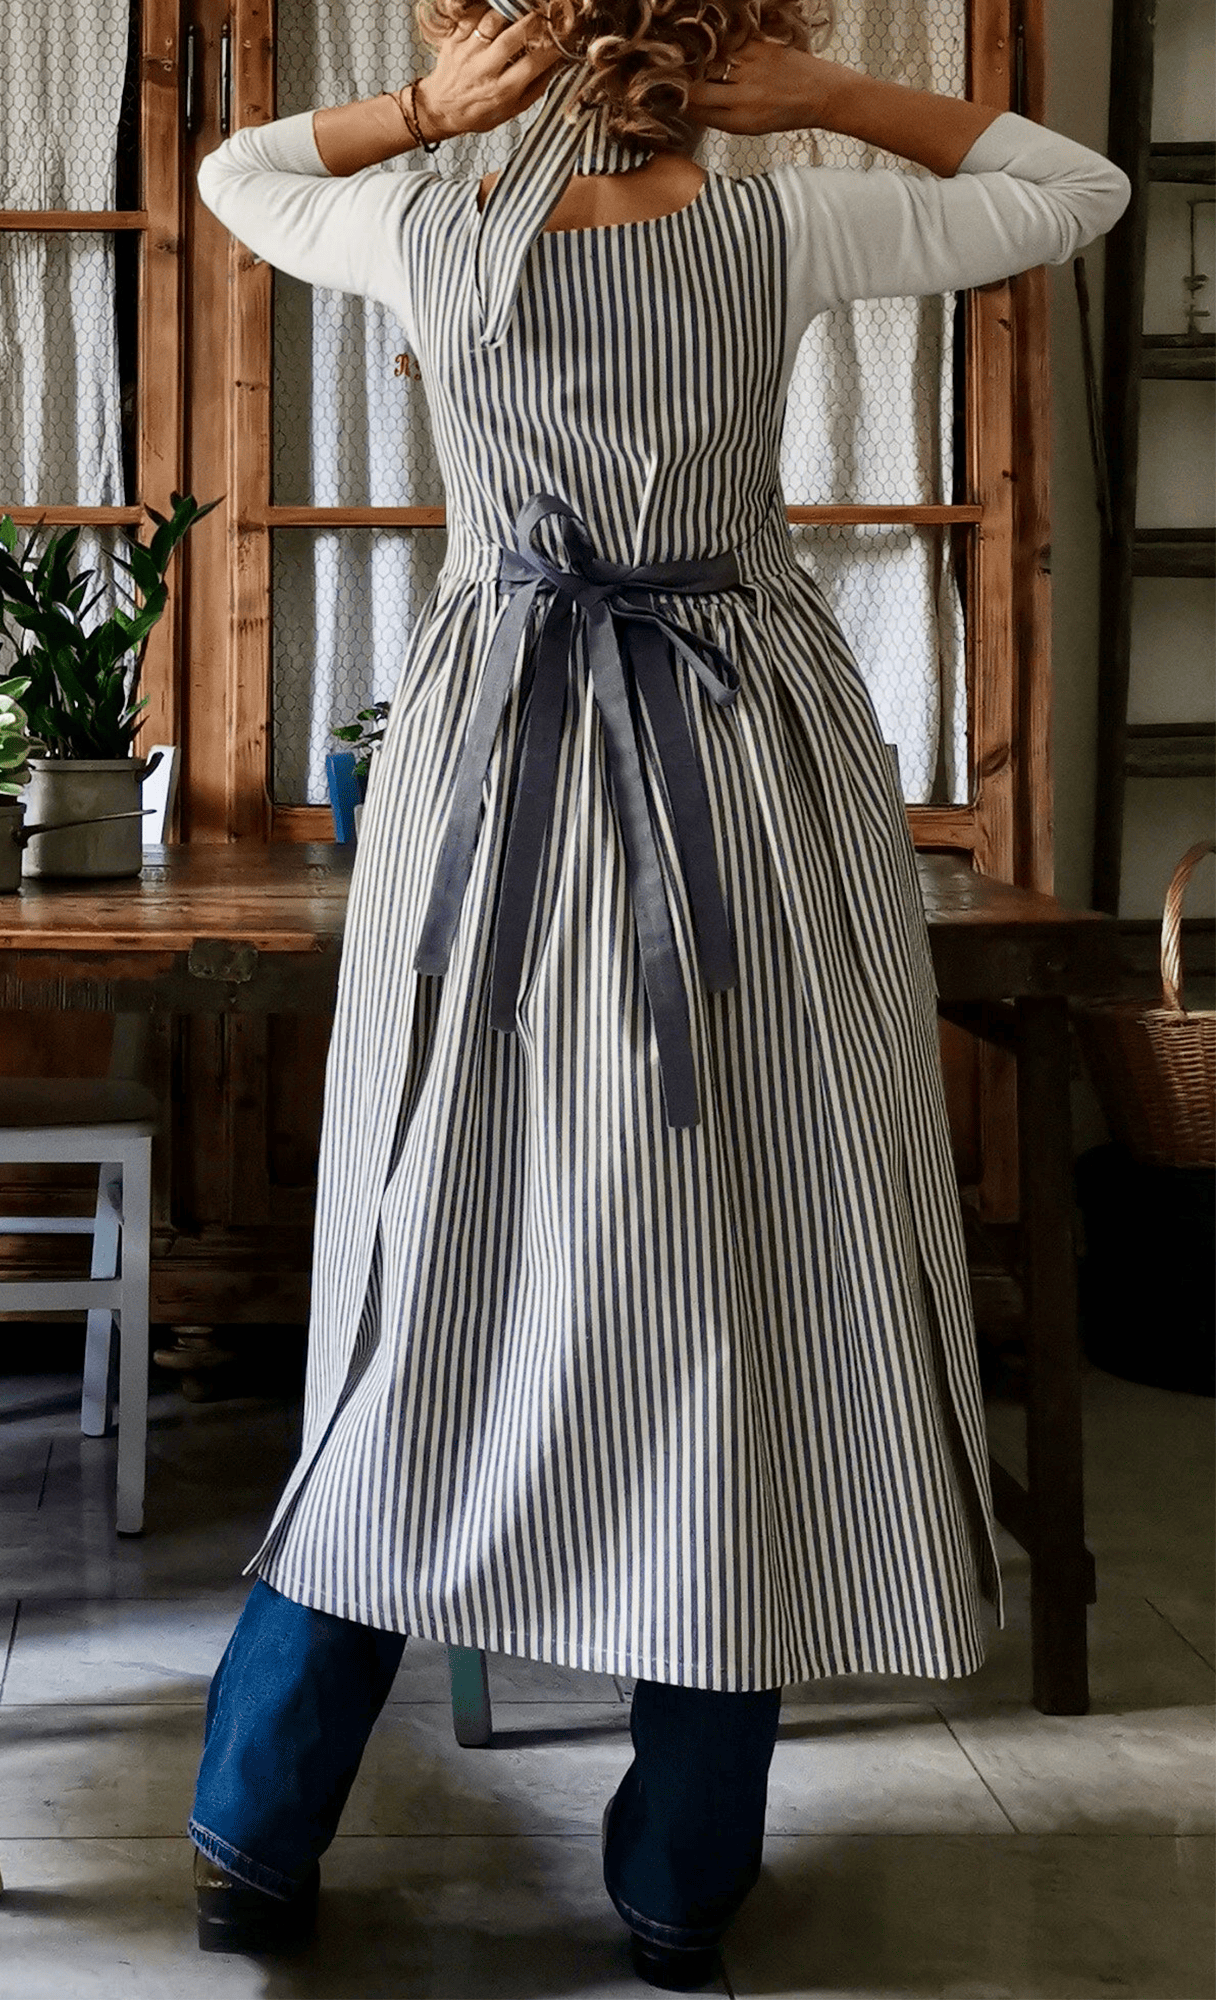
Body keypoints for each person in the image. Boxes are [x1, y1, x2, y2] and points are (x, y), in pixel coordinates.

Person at [191, 5, 1127, 1988]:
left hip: (492, 789)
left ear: (494, 39)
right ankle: (682, 1880)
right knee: (748, 1286)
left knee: (420, 1277)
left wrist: (420, 118)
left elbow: (239, 179)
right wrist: (842, 104)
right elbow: (1078, 189)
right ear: (728, 36)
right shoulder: (780, 222)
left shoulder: (427, 220)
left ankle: (253, 1832)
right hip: (744, 785)